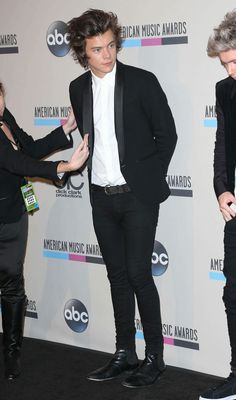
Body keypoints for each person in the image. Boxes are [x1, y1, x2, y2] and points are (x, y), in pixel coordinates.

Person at [68, 9, 177, 388]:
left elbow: (168, 135)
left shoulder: (142, 82)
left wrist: (147, 179)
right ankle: (124, 353)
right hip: (101, 197)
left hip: (137, 197)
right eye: (97, 49)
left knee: (138, 275)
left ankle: (155, 358)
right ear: (83, 53)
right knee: (116, 277)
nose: (107, 55)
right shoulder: (77, 88)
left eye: (111, 45)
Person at [0, 81, 89, 381]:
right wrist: (63, 167)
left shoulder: (5, 118)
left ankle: (12, 353)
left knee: (13, 284)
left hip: (12, 216)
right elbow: (15, 162)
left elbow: (30, 148)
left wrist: (65, 129)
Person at [200, 10, 236, 400]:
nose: (229, 71)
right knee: (233, 295)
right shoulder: (225, 90)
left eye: (235, 61)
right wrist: (221, 189)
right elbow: (222, 144)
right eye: (225, 64)